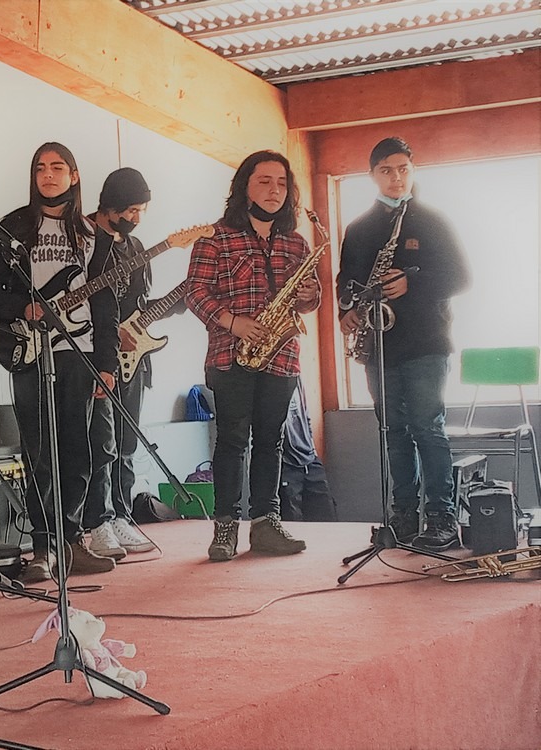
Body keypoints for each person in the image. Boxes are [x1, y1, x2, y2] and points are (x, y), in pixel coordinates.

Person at [0, 142, 118, 583]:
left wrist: (107, 364)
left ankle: (72, 541)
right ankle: (41, 547)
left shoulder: (93, 235)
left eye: (57, 167)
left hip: (79, 351)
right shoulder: (14, 227)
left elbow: (105, 303)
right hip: (30, 351)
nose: (48, 175)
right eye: (40, 168)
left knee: (78, 451)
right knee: (39, 452)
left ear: (74, 176)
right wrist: (22, 308)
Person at [337, 137, 471, 551]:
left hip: (426, 342)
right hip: (379, 345)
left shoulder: (433, 220)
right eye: (386, 170)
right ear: (372, 175)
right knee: (392, 432)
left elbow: (462, 278)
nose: (396, 178)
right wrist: (346, 310)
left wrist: (412, 283)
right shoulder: (358, 228)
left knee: (427, 429)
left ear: (412, 171)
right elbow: (346, 281)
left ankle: (442, 517)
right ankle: (404, 516)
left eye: (403, 169)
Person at [186, 150, 318, 561]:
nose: (274, 190)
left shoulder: (296, 242)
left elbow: (308, 302)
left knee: (271, 441)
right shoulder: (215, 237)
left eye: (281, 183)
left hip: (282, 355)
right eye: (264, 181)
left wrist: (310, 296)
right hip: (231, 353)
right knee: (232, 440)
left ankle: (265, 523)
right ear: (244, 186)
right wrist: (233, 322)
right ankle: (226, 527)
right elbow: (194, 292)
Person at [84, 168, 160, 559]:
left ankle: (122, 517)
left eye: (142, 210)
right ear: (110, 206)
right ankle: (96, 520)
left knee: (127, 443)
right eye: (131, 210)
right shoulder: (83, 239)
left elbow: (139, 304)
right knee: (100, 444)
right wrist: (112, 335)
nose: (136, 218)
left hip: (133, 360)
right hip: (94, 357)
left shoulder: (136, 248)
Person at [279, 381, 337, 522]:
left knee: (326, 515)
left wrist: (313, 450)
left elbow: (305, 415)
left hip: (310, 459)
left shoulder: (297, 378)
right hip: (284, 463)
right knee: (292, 520)